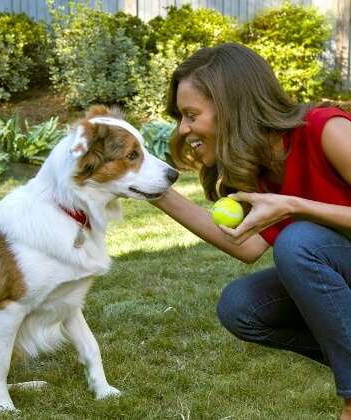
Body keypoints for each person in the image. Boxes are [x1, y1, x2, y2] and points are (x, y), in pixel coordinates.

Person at [150, 42, 351, 419]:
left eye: (191, 114)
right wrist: (152, 191)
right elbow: (248, 245)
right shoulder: (252, 168)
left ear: (230, 108)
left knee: (299, 242)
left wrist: (295, 205)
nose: (184, 128)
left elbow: (295, 236)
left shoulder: (326, 130)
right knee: (242, 306)